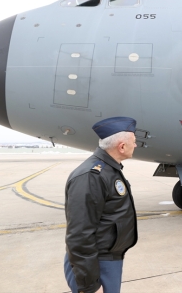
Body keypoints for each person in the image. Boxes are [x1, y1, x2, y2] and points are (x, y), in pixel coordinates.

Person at [64, 117, 139, 293]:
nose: (135, 146)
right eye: (134, 142)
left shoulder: (108, 170)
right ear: (121, 146)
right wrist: (89, 284)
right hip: (96, 263)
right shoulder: (91, 176)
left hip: (106, 260)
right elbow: (79, 235)